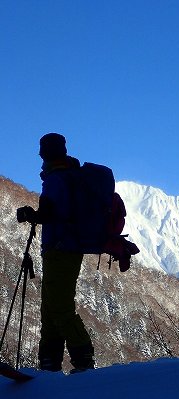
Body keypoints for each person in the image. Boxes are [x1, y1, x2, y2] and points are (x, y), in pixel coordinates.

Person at [18, 133, 94, 372]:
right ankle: (51, 362)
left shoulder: (57, 179)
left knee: (58, 306)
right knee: (51, 307)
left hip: (60, 248)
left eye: (43, 151)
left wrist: (31, 215)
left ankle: (79, 360)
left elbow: (52, 214)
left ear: (45, 153)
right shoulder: (69, 176)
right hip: (66, 248)